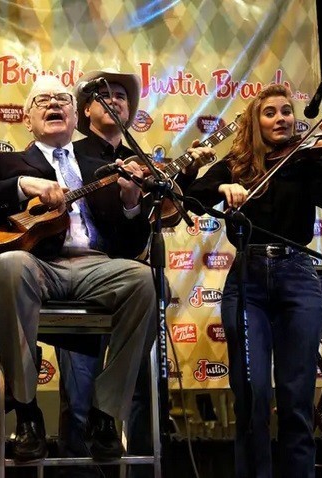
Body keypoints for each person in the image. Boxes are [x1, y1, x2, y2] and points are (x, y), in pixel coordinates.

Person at [0, 75, 157, 463]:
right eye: (42, 100)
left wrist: (131, 203)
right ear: (27, 119)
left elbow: (129, 248)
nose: (53, 104)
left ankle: (104, 414)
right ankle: (27, 412)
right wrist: (20, 186)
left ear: (76, 117)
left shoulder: (102, 166)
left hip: (96, 266)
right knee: (9, 266)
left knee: (143, 279)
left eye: (62, 99)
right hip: (38, 266)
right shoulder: (5, 163)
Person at [185, 83, 322, 478]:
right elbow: (190, 198)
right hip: (247, 280)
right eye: (270, 112)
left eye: (286, 112)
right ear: (255, 123)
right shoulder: (237, 163)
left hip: (298, 277)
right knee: (252, 395)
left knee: (296, 399)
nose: (281, 119)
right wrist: (221, 186)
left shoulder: (306, 160)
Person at [58, 68, 215, 478]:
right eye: (104, 95)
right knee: (79, 395)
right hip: (79, 278)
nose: (115, 100)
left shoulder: (141, 161)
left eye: (121, 96)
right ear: (85, 109)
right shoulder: (68, 154)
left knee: (143, 391)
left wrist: (182, 176)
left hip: (132, 281)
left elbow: (161, 215)